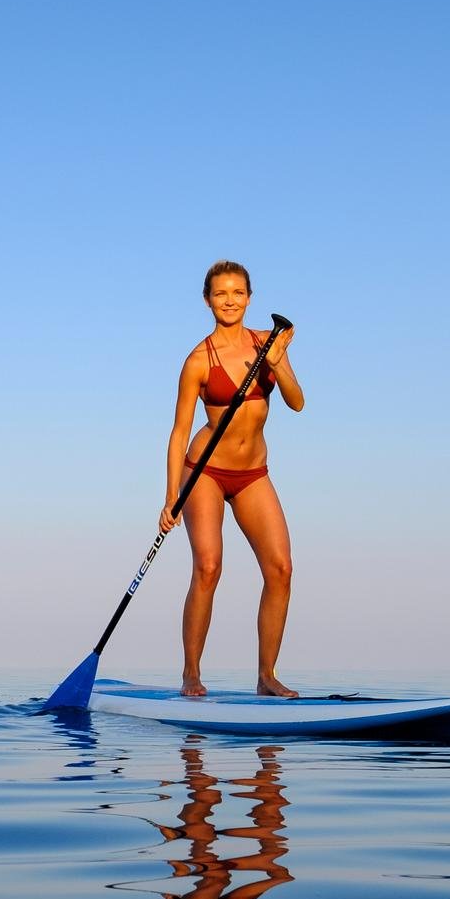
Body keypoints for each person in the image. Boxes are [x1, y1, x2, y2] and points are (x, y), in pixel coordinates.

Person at [160, 260, 304, 698]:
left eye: (237, 293)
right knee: (208, 567)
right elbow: (179, 432)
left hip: (252, 473)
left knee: (281, 569)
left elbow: (297, 402)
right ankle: (191, 674)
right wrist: (171, 497)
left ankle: (266, 677)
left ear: (249, 298)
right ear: (208, 300)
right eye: (220, 293)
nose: (229, 301)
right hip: (205, 471)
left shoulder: (268, 343)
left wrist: (277, 364)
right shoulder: (197, 361)